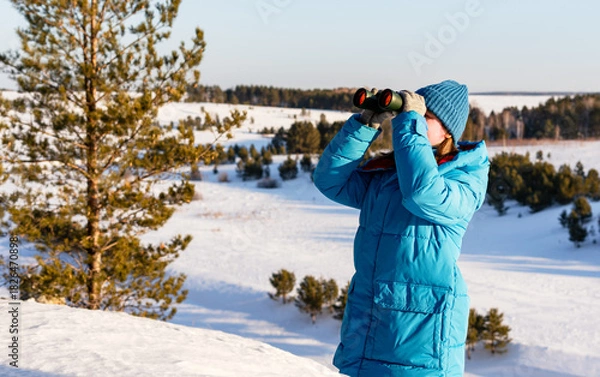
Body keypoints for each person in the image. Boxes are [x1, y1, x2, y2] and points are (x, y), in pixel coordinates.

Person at [313, 80, 489, 377]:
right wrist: (364, 126)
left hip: (419, 341)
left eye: (425, 115)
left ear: (447, 130)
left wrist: (408, 121)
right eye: (414, 112)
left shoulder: (465, 177)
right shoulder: (387, 174)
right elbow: (330, 180)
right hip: (368, 331)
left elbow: (423, 193)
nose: (416, 119)